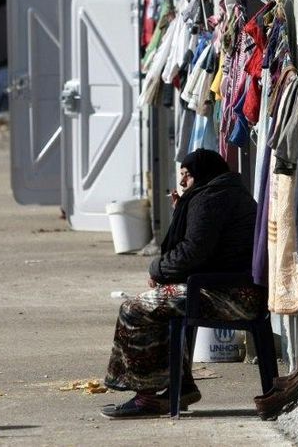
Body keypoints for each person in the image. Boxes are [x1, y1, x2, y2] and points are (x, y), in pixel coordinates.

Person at [101, 149, 263, 418]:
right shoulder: (226, 193)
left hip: (232, 296)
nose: (183, 183)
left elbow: (191, 252)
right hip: (233, 289)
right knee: (162, 304)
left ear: (202, 174)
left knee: (134, 309)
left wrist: (157, 268)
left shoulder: (211, 198)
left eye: (187, 176)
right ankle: (181, 386)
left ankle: (146, 398)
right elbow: (206, 249)